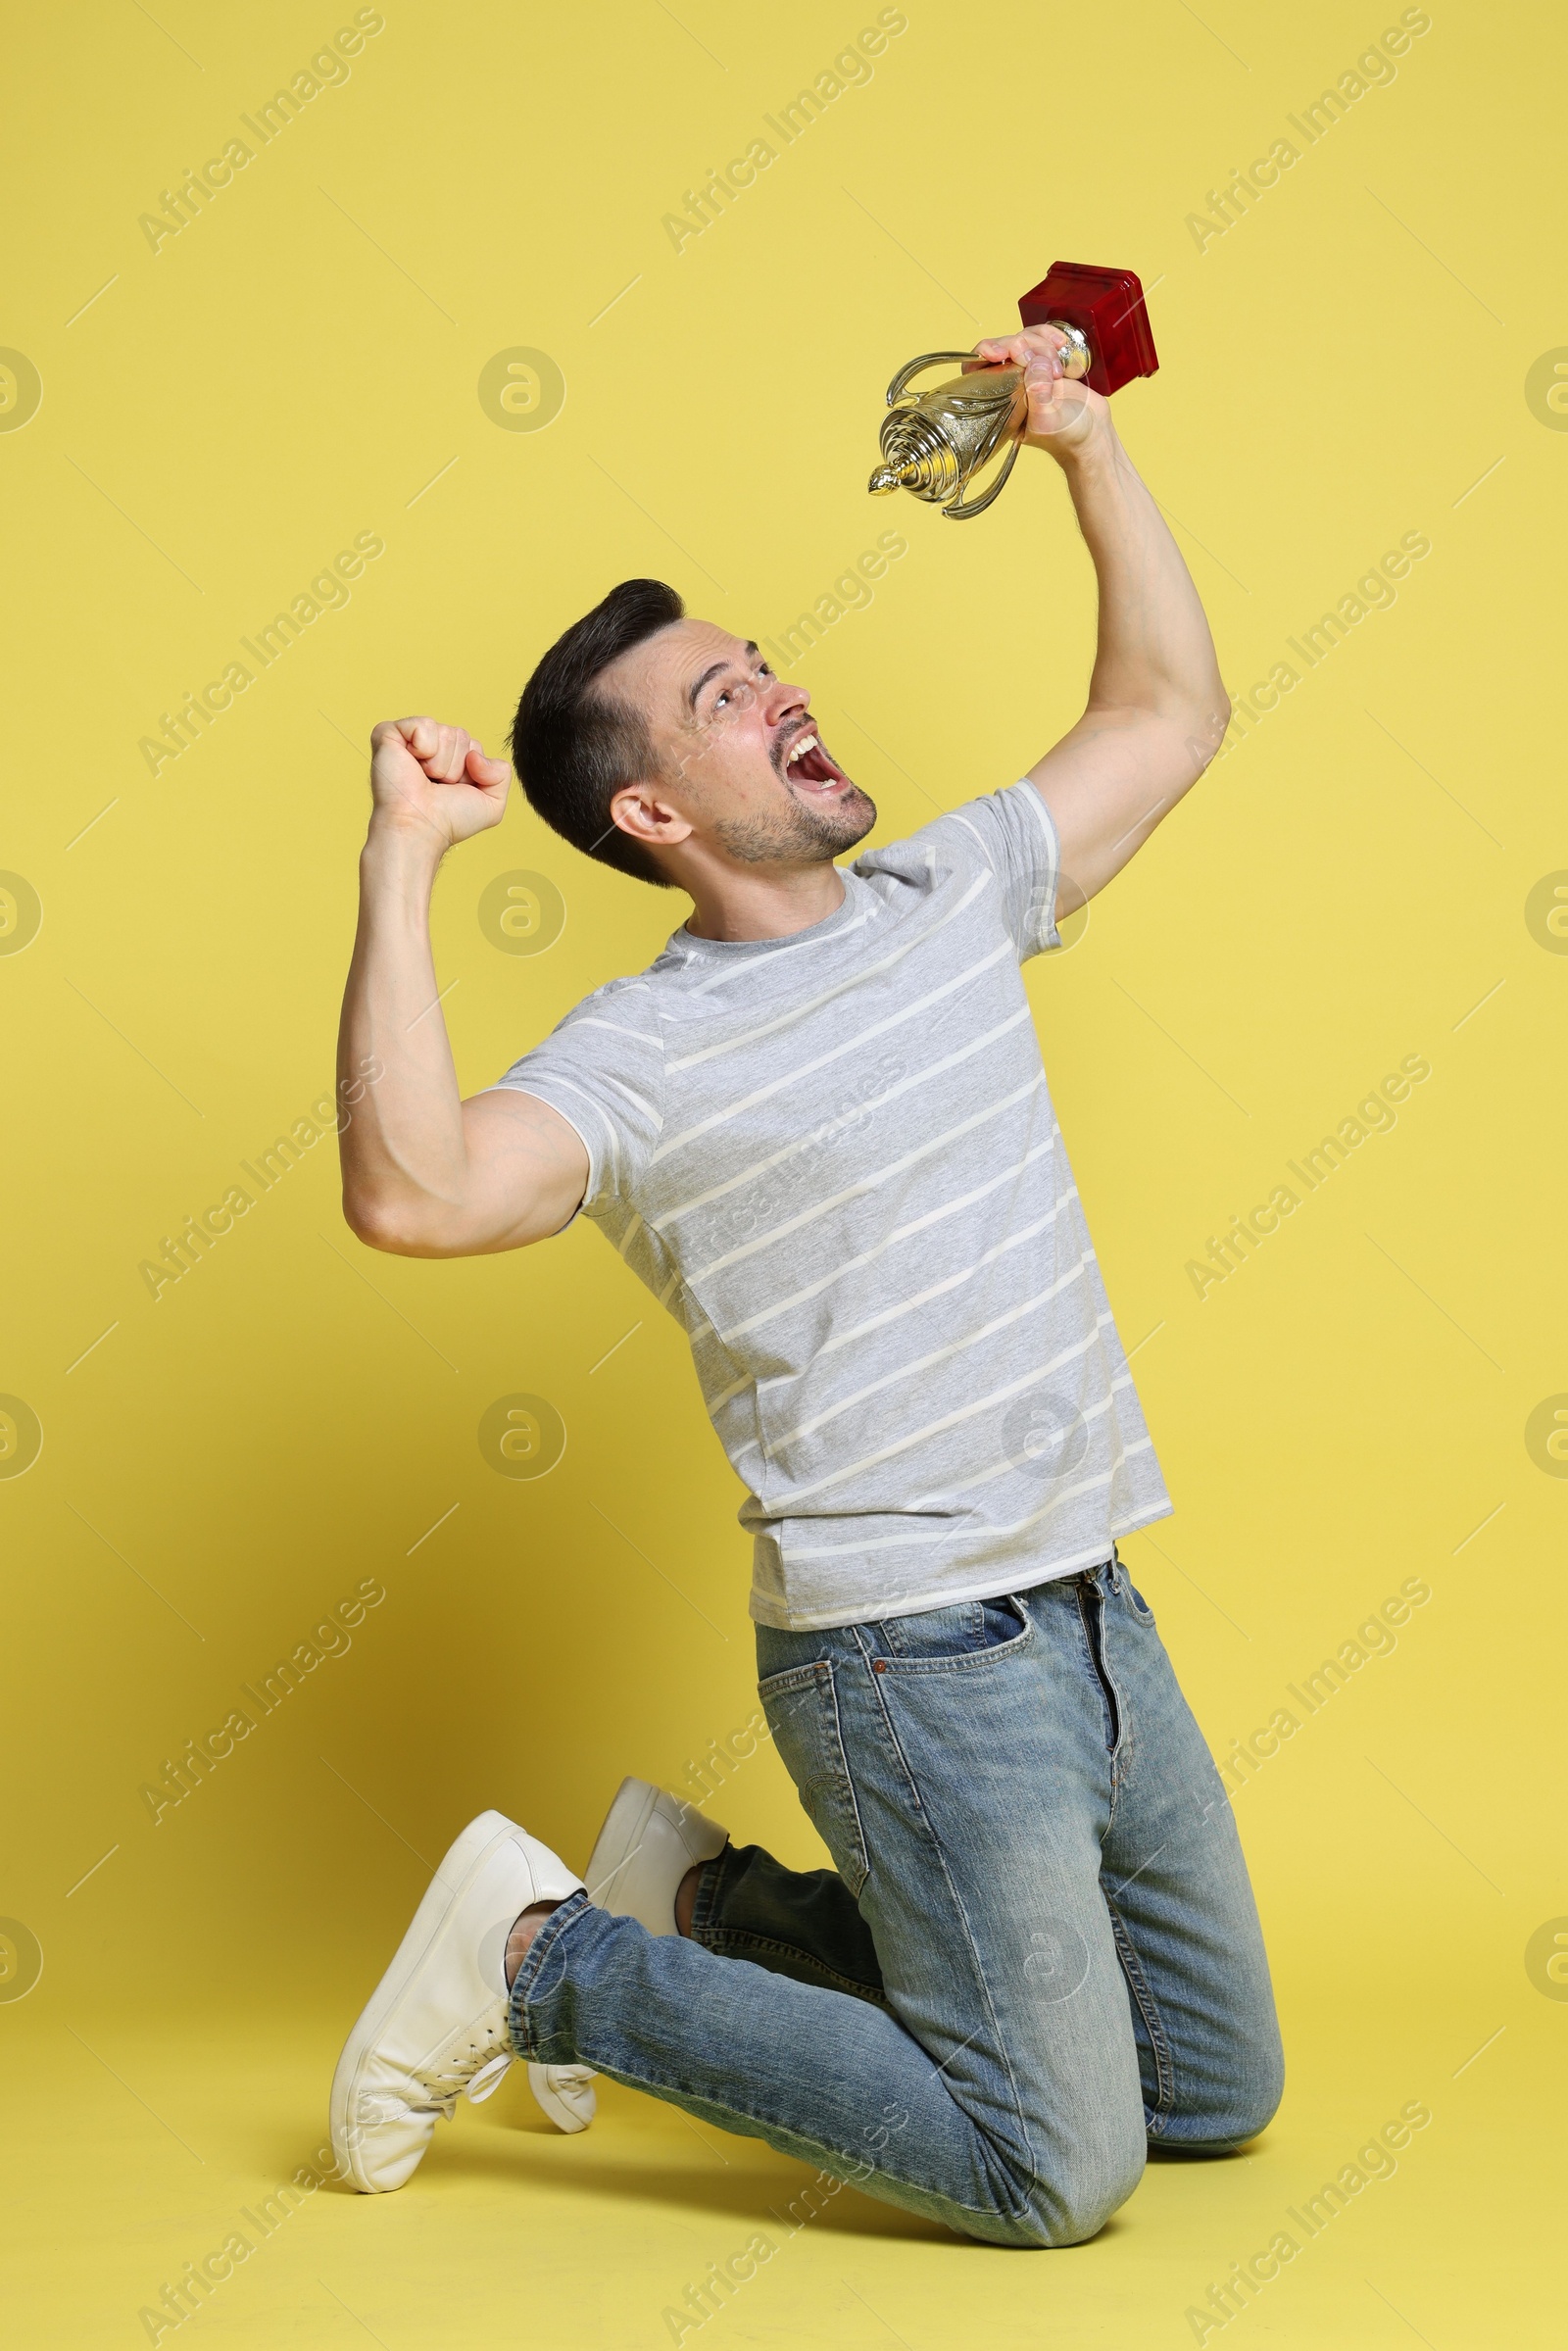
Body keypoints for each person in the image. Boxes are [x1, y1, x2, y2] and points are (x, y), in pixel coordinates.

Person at [327, 323, 1283, 2245]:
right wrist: (405, 861)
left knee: (1210, 2088)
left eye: (763, 662)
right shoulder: (641, 1051)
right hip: (905, 1658)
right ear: (654, 815)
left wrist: (1085, 449)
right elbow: (414, 1196)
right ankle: (536, 1957)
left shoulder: (951, 897)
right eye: (718, 694)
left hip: (1090, 1605)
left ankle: (711, 1907)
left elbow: (1167, 711)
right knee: (1051, 2170)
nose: (776, 689)